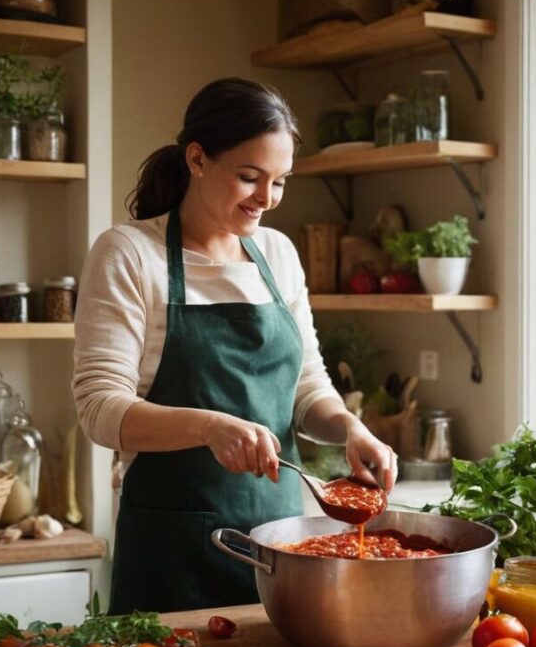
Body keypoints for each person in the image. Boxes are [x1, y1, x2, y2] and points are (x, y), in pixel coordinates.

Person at [73, 77, 396, 614]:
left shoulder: (278, 253)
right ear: (197, 159)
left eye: (281, 182)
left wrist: (349, 428)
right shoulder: (129, 254)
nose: (266, 200)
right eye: (250, 178)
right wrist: (208, 426)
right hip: (170, 551)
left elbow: (306, 387)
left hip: (281, 542)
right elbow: (99, 409)